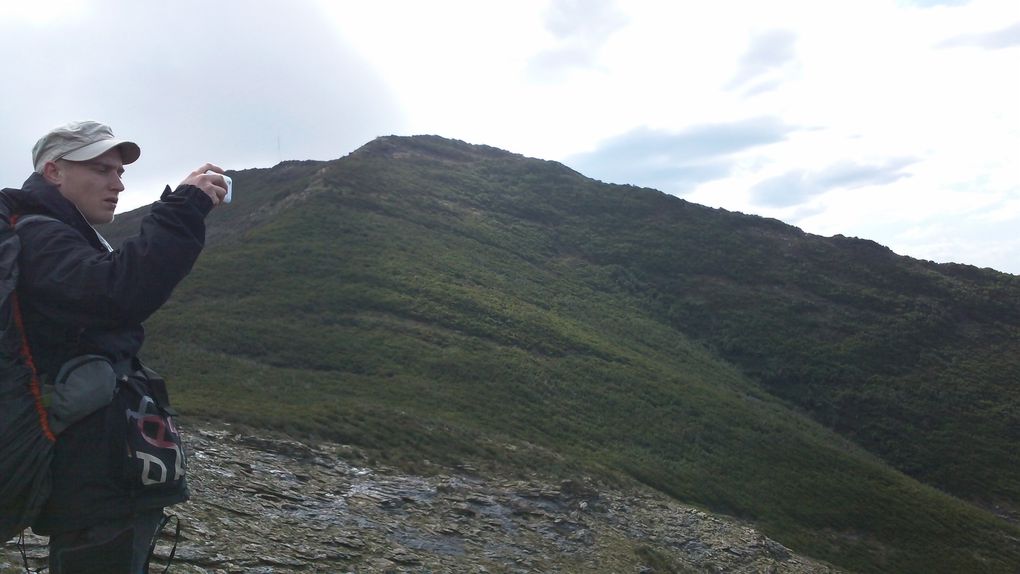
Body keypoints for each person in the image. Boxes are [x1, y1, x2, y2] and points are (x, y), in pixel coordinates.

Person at [3, 120, 227, 573]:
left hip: (103, 478)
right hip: (95, 483)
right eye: (102, 169)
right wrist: (182, 210)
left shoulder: (64, 233)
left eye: (120, 172)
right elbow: (118, 292)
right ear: (53, 172)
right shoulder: (40, 236)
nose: (117, 183)